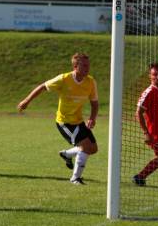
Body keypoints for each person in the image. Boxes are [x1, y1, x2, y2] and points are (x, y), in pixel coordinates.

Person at [17, 53, 98, 185]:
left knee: (93, 149)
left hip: (78, 121)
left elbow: (94, 102)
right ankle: (75, 178)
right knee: (86, 147)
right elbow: (43, 86)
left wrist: (92, 118)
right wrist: (27, 100)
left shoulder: (90, 82)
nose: (87, 68)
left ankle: (67, 154)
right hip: (65, 122)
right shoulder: (64, 79)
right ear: (75, 66)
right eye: (84, 65)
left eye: (88, 65)